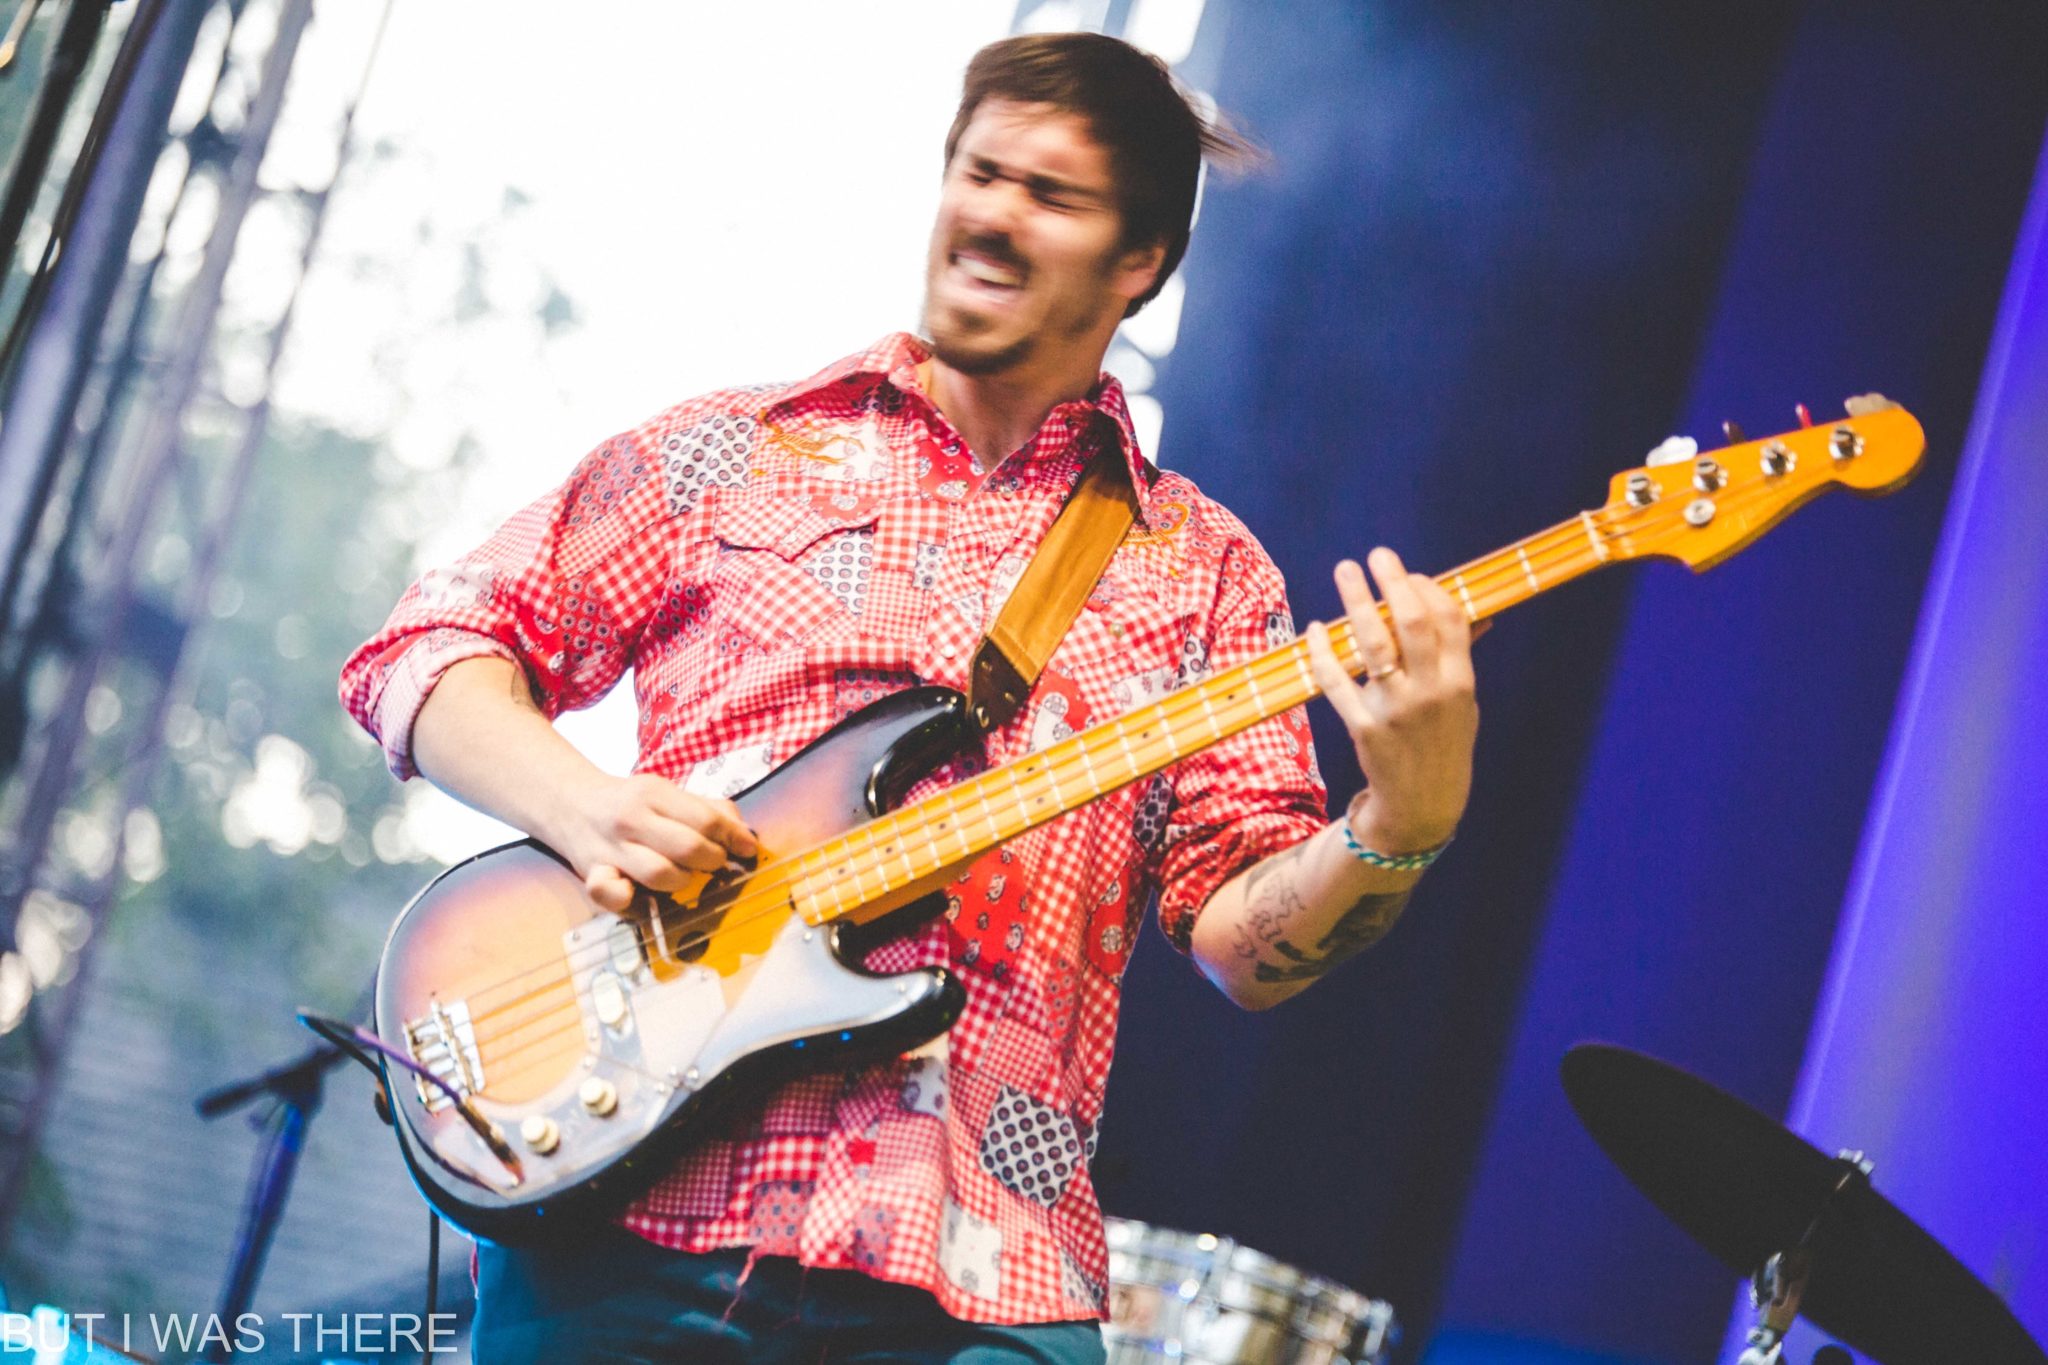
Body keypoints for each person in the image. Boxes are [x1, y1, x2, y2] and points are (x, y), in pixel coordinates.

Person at [340, 30, 1477, 1365]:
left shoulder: (1209, 573)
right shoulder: (740, 451)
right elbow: (426, 645)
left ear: (1139, 265)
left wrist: (1402, 816)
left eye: (1049, 195)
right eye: (978, 172)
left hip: (981, 1272)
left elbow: (1241, 937)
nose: (992, 213)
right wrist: (586, 809)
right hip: (633, 1218)